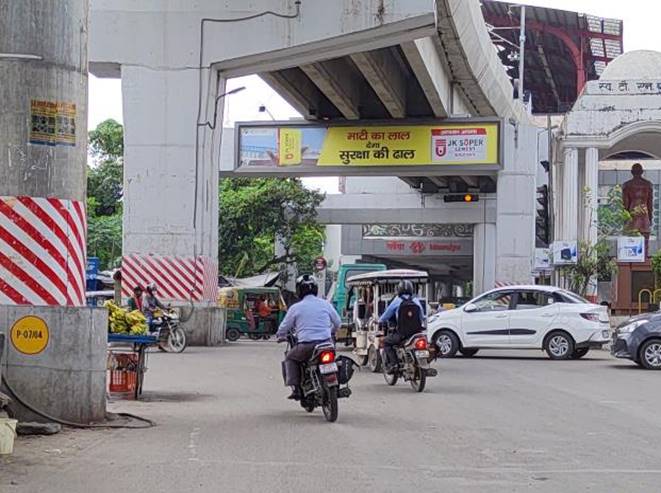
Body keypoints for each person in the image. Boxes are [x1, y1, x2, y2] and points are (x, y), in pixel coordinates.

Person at [276, 275, 341, 400]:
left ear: (299, 290)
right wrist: (330, 332)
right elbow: (338, 322)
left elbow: (284, 327)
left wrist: (280, 335)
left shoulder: (296, 308)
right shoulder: (326, 304)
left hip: (306, 346)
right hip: (327, 344)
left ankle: (296, 389)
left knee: (290, 358)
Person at [378, 280, 426, 373]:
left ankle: (394, 364)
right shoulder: (416, 300)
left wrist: (379, 321)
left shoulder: (397, 300)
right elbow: (422, 316)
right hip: (417, 333)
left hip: (402, 334)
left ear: (398, 290)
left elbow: (386, 315)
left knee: (386, 342)